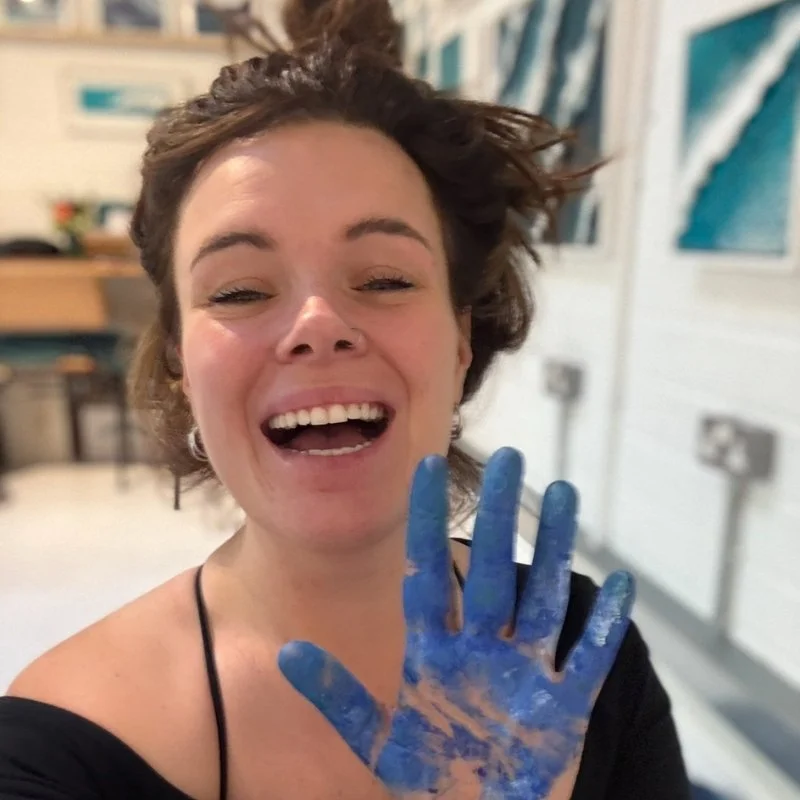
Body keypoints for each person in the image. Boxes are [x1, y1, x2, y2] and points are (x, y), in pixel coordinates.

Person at [0, 1, 691, 798]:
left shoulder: (579, 661)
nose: (318, 325)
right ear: (183, 367)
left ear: (462, 341)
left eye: (385, 279)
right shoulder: (55, 754)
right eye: (242, 289)